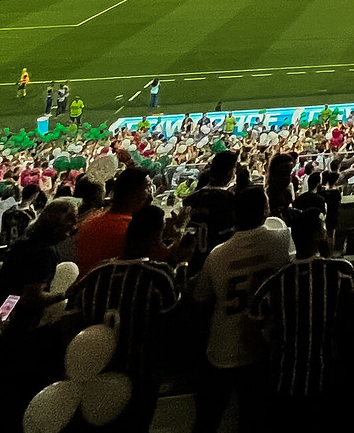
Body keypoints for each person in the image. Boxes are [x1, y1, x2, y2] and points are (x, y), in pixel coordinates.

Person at [70, 205, 182, 433]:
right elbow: (172, 328)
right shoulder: (159, 277)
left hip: (93, 378)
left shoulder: (95, 273)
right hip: (140, 376)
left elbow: (70, 322)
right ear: (156, 237)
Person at [193, 184, 294, 433]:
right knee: (253, 419)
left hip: (222, 347)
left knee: (208, 419)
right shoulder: (281, 241)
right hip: (262, 346)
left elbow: (200, 296)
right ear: (264, 212)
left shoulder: (217, 255)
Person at [251, 219, 354, 422]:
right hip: (327, 375)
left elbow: (256, 317)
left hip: (286, 379)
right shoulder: (342, 272)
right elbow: (351, 310)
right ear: (318, 236)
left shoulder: (274, 282)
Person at [74, 165, 151, 276]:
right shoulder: (132, 230)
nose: (149, 193)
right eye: (147, 187)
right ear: (132, 193)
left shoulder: (91, 219)